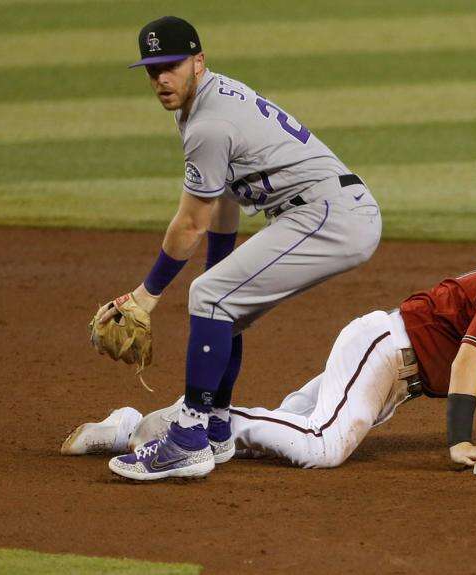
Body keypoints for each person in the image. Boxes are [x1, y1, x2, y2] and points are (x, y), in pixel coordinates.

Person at [67, 211, 476, 470]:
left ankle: (129, 428)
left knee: (285, 424)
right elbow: (467, 363)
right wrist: (458, 443)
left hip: (399, 377)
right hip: (386, 348)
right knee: (322, 447)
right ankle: (205, 421)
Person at [96, 16, 382, 481]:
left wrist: (146, 295)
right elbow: (224, 189)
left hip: (331, 215)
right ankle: (216, 426)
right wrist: (219, 262)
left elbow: (190, 223)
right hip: (324, 210)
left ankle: (188, 439)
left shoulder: (209, 122)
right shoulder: (204, 101)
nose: (162, 79)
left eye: (172, 66)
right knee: (222, 301)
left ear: (198, 62)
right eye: (153, 70)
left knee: (211, 297)